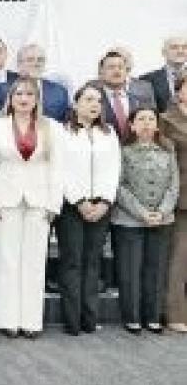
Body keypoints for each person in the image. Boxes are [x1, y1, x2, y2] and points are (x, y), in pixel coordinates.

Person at [0, 76, 65, 339]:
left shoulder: (51, 127)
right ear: (11, 98)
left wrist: (54, 203)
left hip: (39, 200)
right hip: (6, 200)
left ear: (36, 100)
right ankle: (8, 320)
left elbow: (57, 168)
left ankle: (31, 321)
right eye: (19, 93)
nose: (23, 99)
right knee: (7, 260)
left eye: (29, 94)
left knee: (34, 261)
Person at [58, 83, 121, 336]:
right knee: (72, 261)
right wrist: (80, 201)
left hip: (101, 206)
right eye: (88, 99)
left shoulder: (109, 133)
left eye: (98, 100)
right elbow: (61, 170)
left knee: (92, 262)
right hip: (73, 206)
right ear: (76, 104)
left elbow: (114, 169)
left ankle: (90, 318)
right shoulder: (63, 132)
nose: (94, 104)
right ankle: (72, 320)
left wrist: (105, 201)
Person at [114, 107, 178, 334]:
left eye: (151, 119)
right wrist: (142, 212)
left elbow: (173, 185)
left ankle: (152, 316)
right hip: (129, 220)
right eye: (141, 119)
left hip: (162, 219)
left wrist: (161, 211)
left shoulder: (167, 151)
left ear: (157, 125)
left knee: (156, 269)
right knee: (130, 269)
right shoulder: (123, 151)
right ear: (131, 125)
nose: (146, 124)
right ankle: (131, 316)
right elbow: (119, 187)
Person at [159, 75, 187, 333]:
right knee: (179, 259)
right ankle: (175, 312)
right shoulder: (166, 120)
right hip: (182, 198)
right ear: (179, 92)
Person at [97, 50, 147, 139]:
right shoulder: (95, 99)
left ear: (127, 72)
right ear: (101, 72)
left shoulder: (139, 99)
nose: (117, 71)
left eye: (120, 67)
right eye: (111, 67)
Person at [141, 36, 187, 112]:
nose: (180, 51)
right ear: (163, 52)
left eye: (184, 47)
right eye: (174, 47)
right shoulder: (147, 80)